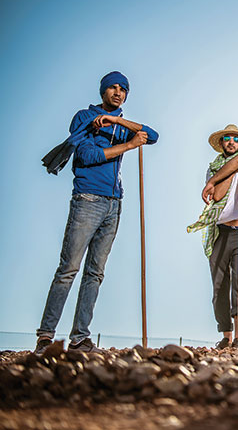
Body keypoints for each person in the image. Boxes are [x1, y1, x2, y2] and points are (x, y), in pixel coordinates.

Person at [35, 71, 159, 354]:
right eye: (113, 88)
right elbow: (87, 156)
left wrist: (117, 121)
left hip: (115, 202)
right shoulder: (84, 118)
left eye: (123, 89)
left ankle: (80, 338)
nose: (118, 92)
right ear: (103, 91)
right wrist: (129, 145)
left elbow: (152, 135)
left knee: (95, 273)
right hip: (87, 199)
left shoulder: (119, 124)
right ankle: (46, 337)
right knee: (69, 269)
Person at [188, 124, 238, 349]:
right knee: (219, 285)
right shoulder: (213, 169)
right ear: (221, 143)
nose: (231, 142)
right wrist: (222, 175)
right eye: (227, 138)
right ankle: (226, 337)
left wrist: (229, 169)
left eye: (235, 139)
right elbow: (217, 195)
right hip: (221, 232)